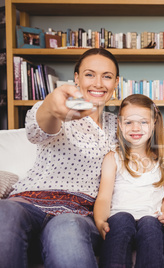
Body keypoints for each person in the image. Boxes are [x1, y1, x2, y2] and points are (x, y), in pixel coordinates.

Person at [0, 48, 119, 268]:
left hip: (77, 212)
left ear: (116, 82)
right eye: (90, 74)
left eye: (107, 76)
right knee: (4, 212)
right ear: (77, 78)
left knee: (66, 228)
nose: (99, 83)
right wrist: (51, 107)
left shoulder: (119, 126)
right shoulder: (60, 110)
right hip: (28, 202)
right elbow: (39, 127)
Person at [94, 94, 164, 268]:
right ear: (120, 125)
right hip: (119, 219)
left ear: (153, 124)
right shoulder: (113, 157)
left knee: (150, 224)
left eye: (143, 122)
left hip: (151, 219)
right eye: (129, 122)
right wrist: (100, 221)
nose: (135, 128)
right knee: (122, 219)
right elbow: (104, 197)